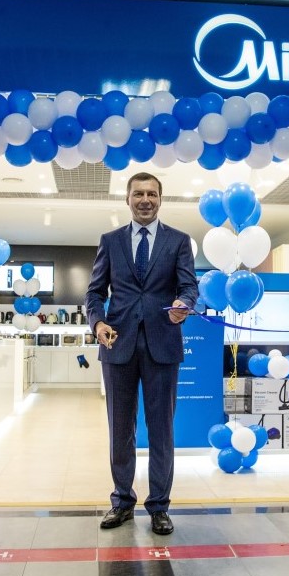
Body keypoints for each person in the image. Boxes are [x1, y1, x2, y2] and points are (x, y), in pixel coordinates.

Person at [86, 171, 198, 535]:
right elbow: (94, 293)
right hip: (117, 344)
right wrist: (97, 324)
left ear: (160, 199)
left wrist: (183, 303)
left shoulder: (178, 241)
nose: (145, 200)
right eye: (138, 194)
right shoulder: (110, 241)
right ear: (128, 199)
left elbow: (189, 286)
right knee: (120, 430)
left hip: (162, 344)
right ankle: (122, 501)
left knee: (162, 430)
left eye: (152, 194)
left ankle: (159, 506)